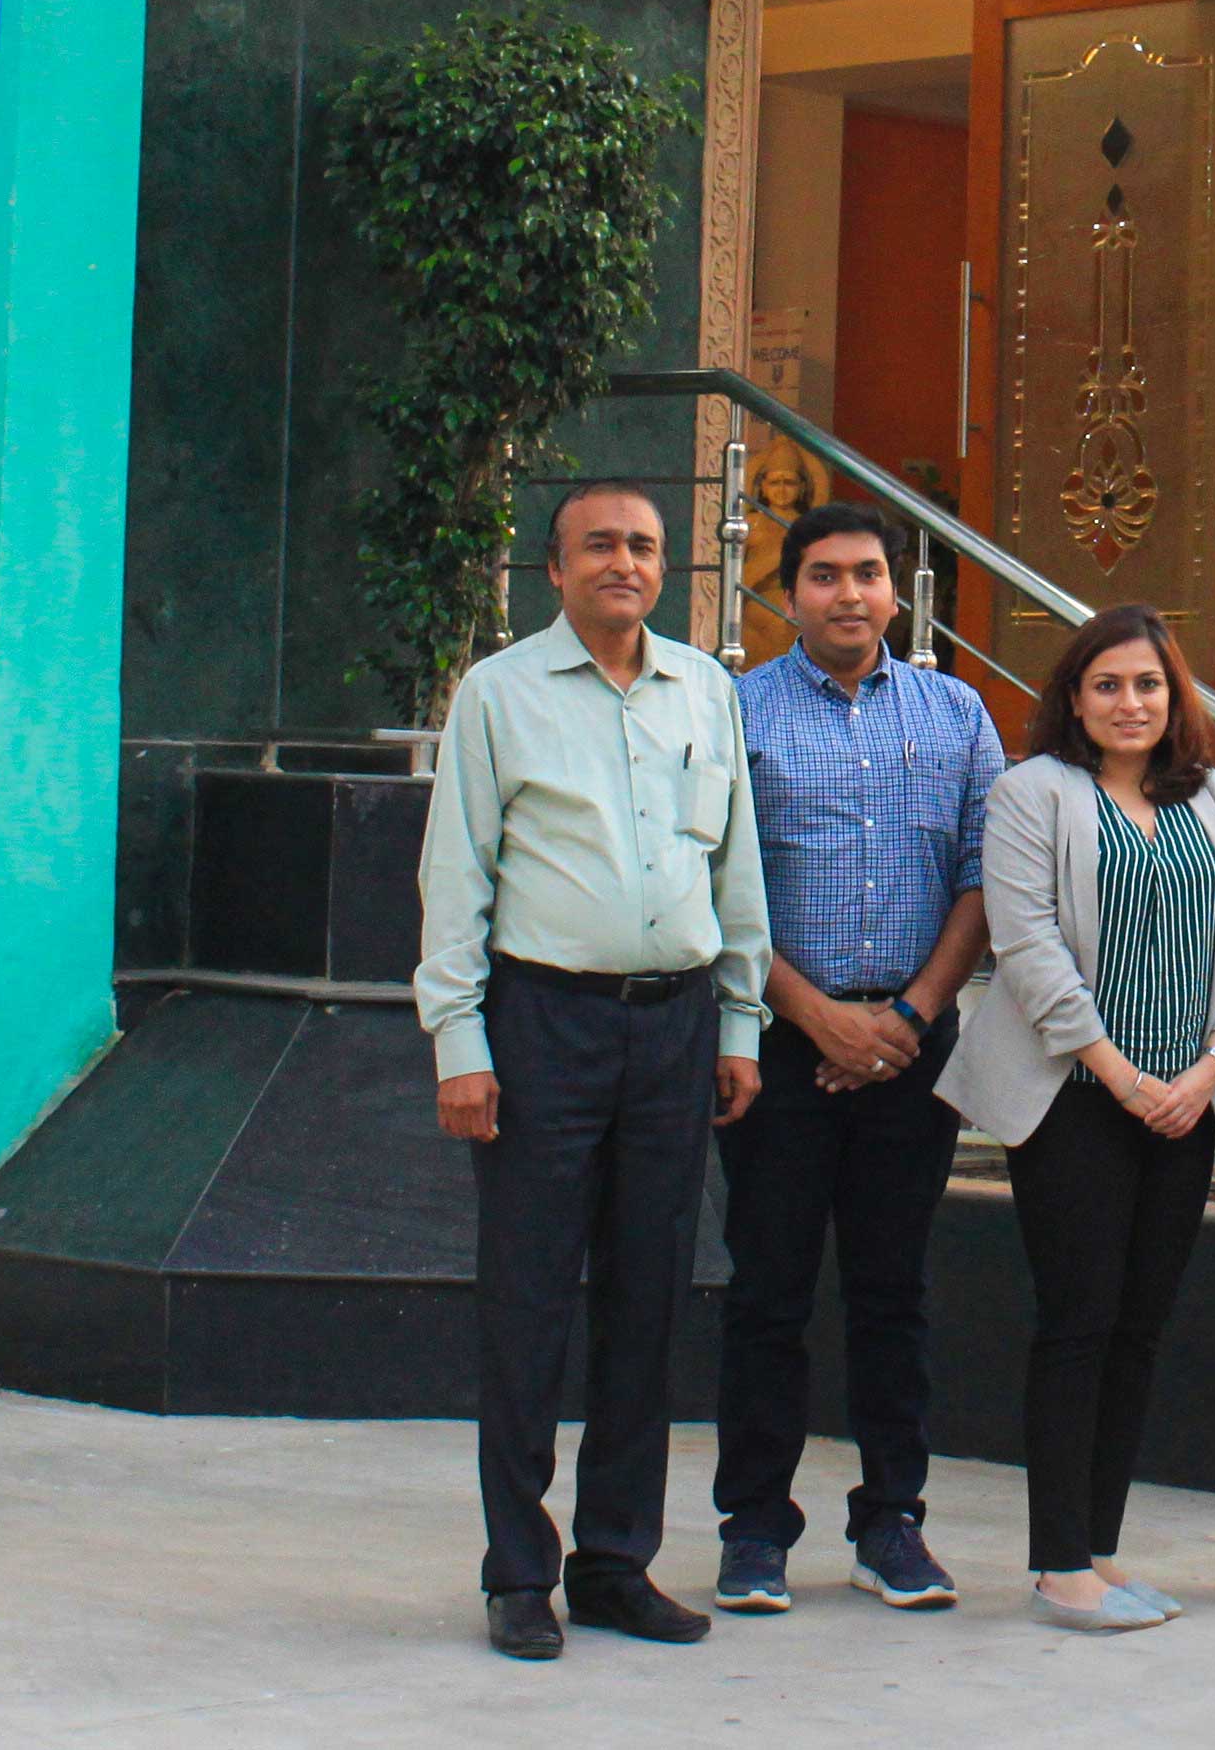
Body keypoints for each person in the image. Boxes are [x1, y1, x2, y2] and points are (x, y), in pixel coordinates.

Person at [414, 480, 770, 1666]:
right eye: (600, 545)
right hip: (542, 1026)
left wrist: (739, 1025)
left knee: (646, 1302)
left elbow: (734, 870)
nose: (625, 563)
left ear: (667, 567)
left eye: (645, 547)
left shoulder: (705, 690)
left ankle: (615, 1562)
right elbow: (456, 877)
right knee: (526, 1304)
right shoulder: (499, 693)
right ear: (554, 569)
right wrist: (460, 1043)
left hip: (674, 1029)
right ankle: (519, 1572)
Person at [938, 604, 1215, 1633]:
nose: (1131, 703)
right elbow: (1026, 948)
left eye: (1149, 685)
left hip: (1186, 1105)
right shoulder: (1031, 792)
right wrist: (1124, 1079)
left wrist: (1211, 1065)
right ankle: (1057, 1564)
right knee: (1078, 1323)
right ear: (1074, 699)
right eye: (1109, 685)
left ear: (1177, 698)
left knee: (1139, 1328)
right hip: (1074, 1103)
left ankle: (1101, 1548)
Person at [710, 500, 1001, 1618]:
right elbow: (714, 881)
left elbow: (983, 878)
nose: (848, 593)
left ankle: (892, 1522)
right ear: (787, 593)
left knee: (894, 1292)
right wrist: (818, 1019)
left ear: (897, 592)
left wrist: (909, 1020)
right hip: (776, 1051)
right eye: (824, 575)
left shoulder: (956, 711)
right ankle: (754, 1529)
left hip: (912, 1053)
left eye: (868, 573)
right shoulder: (738, 712)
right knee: (768, 1292)